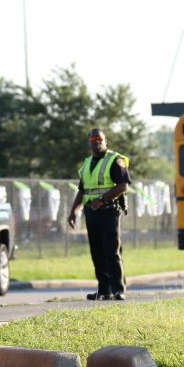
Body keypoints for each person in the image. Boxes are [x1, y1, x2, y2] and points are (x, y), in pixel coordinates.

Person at [67, 129, 131, 301]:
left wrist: (102, 199)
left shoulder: (114, 160)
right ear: (89, 142)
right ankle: (104, 290)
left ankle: (118, 289)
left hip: (109, 210)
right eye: (93, 139)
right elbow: (82, 190)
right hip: (91, 212)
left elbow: (123, 185)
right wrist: (74, 210)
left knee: (112, 251)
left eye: (100, 139)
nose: (97, 142)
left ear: (105, 141)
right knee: (97, 252)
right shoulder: (87, 163)